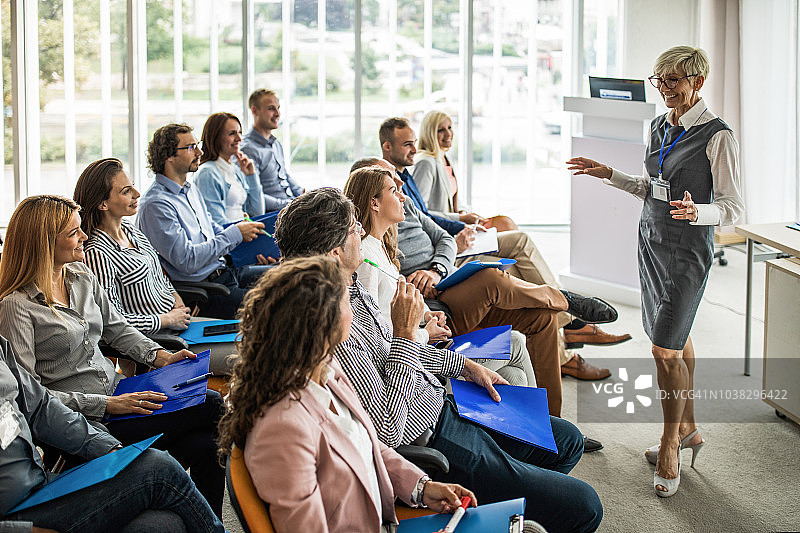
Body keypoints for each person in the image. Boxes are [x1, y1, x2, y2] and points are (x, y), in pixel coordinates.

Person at [273, 188, 603, 532]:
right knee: (585, 506)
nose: (362, 233)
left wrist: (466, 367)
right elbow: (387, 431)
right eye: (356, 228)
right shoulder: (327, 325)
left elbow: (393, 352)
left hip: (442, 402)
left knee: (567, 440)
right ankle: (511, 499)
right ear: (336, 250)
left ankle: (515, 502)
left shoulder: (351, 287)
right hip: (433, 439)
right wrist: (404, 332)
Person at [566, 45, 744, 497]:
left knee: (663, 350)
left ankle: (669, 442)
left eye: (672, 81)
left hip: (688, 250)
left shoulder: (717, 136)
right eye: (657, 79)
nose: (663, 89)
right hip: (652, 243)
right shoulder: (660, 126)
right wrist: (609, 174)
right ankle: (689, 428)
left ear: (697, 82)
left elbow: (733, 209)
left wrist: (697, 212)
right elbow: (651, 187)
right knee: (676, 338)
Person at [0, 195, 226, 517]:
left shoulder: (80, 276)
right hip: (89, 418)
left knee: (206, 445)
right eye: (73, 233)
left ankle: (205, 519)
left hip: (121, 392)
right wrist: (107, 404)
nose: (84, 238)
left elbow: (117, 328)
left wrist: (160, 357)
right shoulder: (16, 307)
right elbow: (31, 397)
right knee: (213, 404)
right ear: (45, 243)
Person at [218, 255, 479, 532]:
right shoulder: (282, 431)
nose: (354, 307)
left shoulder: (326, 368)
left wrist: (421, 487)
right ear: (322, 324)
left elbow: (363, 441)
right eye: (345, 299)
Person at [379, 119, 630, 380]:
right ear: (387, 148)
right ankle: (566, 313)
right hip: (440, 271)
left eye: (451, 127)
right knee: (501, 270)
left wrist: (459, 231)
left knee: (512, 239)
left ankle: (563, 321)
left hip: (444, 257)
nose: (415, 148)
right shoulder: (418, 172)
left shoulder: (405, 183)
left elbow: (430, 222)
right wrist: (456, 234)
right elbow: (421, 233)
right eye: (408, 143)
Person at [0, 335, 224, 533]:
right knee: (159, 467)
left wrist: (108, 448)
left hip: (39, 485)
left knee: (165, 524)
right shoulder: (17, 306)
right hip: (16, 516)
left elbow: (40, 407)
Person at [344, 165, 536, 387]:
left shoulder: (379, 248)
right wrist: (427, 334)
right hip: (416, 364)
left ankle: (537, 420)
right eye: (393, 191)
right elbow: (377, 338)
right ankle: (548, 422)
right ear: (374, 202)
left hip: (423, 347)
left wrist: (427, 315)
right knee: (515, 342)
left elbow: (391, 305)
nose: (403, 197)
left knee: (515, 376)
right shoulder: (365, 258)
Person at [74, 158, 237, 376]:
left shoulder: (131, 231)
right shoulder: (97, 252)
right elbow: (112, 321)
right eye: (126, 191)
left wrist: (175, 297)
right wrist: (166, 319)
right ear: (103, 204)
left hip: (182, 326)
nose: (137, 193)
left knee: (254, 337)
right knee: (253, 356)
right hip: (161, 341)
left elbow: (159, 273)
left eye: (132, 185)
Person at [137, 123, 268, 319]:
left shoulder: (189, 189)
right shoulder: (156, 205)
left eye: (197, 144)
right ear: (169, 156)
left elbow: (213, 230)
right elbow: (188, 261)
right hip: (208, 290)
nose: (200, 151)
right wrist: (234, 233)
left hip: (225, 272)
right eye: (191, 147)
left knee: (293, 276)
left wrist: (248, 240)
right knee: (279, 302)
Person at [413, 110, 517, 232]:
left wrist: (462, 211)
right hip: (442, 230)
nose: (448, 134)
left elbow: (452, 199)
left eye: (449, 127)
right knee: (511, 233)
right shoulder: (426, 163)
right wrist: (460, 218)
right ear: (429, 134)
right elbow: (419, 211)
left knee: (505, 223)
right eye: (441, 130)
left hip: (456, 224)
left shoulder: (445, 158)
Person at [194, 112, 265, 226]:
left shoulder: (235, 169)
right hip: (230, 238)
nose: (239, 138)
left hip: (242, 234)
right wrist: (242, 230)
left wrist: (251, 175)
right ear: (216, 137)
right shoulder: (207, 173)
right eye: (232, 134)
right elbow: (216, 223)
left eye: (240, 133)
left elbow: (257, 213)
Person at [239, 89, 305, 211]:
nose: (277, 113)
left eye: (278, 108)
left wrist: (303, 194)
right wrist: (290, 205)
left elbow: (283, 175)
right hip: (272, 214)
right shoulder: (247, 150)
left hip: (289, 208)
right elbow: (252, 194)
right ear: (255, 111)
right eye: (271, 108)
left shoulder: (275, 144)